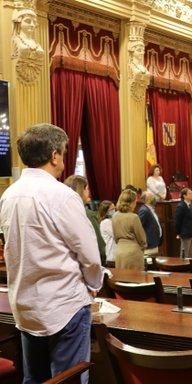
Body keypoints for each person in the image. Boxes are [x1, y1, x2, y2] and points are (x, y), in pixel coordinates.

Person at [0, 123, 104, 383]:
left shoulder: (8, 195)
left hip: (26, 305)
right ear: (54, 155)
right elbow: (90, 255)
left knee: (34, 379)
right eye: (64, 152)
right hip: (64, 305)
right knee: (68, 379)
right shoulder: (63, 196)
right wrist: (94, 284)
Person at [64, 175, 106, 265]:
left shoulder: (62, 212)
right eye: (87, 189)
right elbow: (99, 246)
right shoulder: (88, 215)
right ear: (80, 191)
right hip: (88, 266)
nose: (89, 192)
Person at [113, 189, 147, 270]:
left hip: (119, 252)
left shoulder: (115, 216)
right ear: (132, 203)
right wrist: (143, 248)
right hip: (133, 253)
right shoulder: (134, 217)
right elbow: (142, 239)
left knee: (121, 280)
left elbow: (115, 237)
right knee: (135, 280)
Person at [137, 191, 162, 257]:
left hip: (154, 243)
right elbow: (138, 227)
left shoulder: (150, 209)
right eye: (152, 197)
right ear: (146, 199)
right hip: (149, 244)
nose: (154, 198)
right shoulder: (144, 210)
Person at [175, 188, 192, 258]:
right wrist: (178, 233)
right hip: (185, 233)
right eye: (190, 193)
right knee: (184, 254)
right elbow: (178, 221)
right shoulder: (181, 206)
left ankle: (189, 267)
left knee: (190, 253)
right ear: (184, 196)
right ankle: (182, 267)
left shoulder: (190, 205)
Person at [98, 200, 116, 265]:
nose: (114, 211)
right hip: (111, 256)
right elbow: (116, 234)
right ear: (106, 211)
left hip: (114, 256)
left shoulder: (110, 221)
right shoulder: (106, 222)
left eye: (114, 208)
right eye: (112, 209)